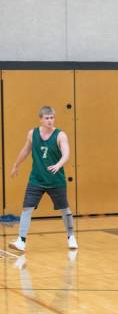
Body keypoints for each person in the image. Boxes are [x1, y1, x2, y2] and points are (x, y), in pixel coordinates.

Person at [9, 106, 77, 252]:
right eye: (47, 118)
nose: (50, 120)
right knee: (27, 208)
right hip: (37, 179)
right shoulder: (32, 134)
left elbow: (66, 153)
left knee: (64, 209)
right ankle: (21, 240)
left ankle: (71, 237)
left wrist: (58, 165)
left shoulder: (60, 135)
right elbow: (25, 150)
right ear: (41, 119)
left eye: (52, 117)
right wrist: (16, 165)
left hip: (55, 180)